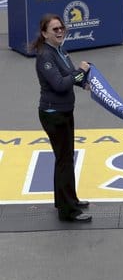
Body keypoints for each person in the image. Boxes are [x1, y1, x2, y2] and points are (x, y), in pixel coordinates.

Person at [30, 14, 92, 223]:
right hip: (53, 114)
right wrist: (80, 73)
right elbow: (59, 84)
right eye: (54, 29)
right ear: (44, 33)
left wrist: (82, 82)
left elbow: (70, 76)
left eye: (61, 28)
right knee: (64, 160)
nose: (59, 31)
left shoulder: (60, 51)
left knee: (65, 159)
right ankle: (68, 211)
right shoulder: (45, 56)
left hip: (64, 111)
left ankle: (68, 200)